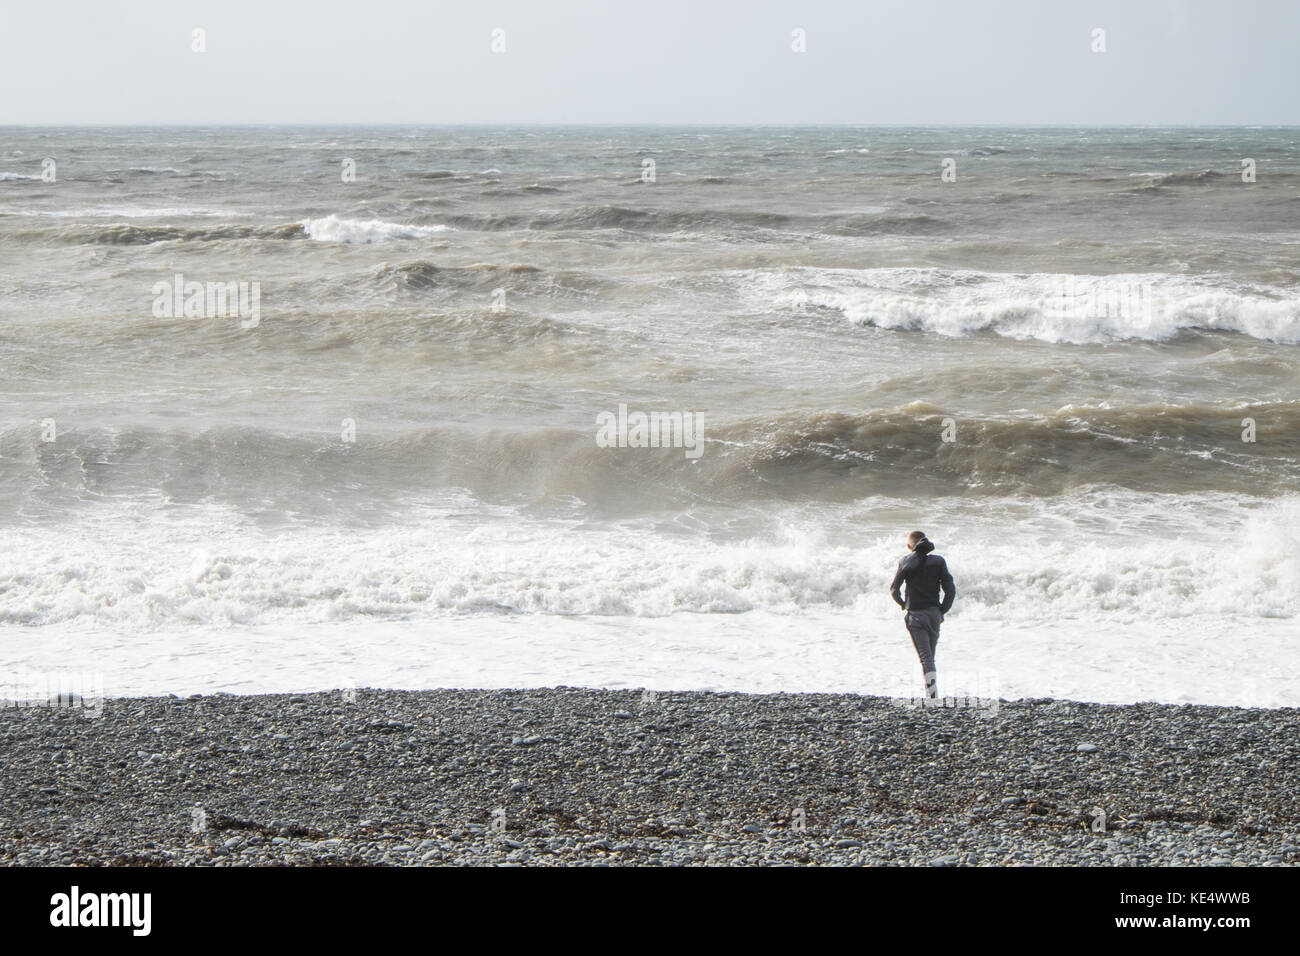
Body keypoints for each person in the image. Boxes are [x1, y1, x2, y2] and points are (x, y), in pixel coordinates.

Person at [889, 531, 956, 699]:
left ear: (909, 546)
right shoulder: (939, 561)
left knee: (926, 658)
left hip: (916, 615)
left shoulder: (905, 561)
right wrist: (942, 610)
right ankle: (931, 694)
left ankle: (932, 697)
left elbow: (894, 590)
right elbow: (950, 589)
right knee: (930, 656)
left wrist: (904, 604)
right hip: (934, 614)